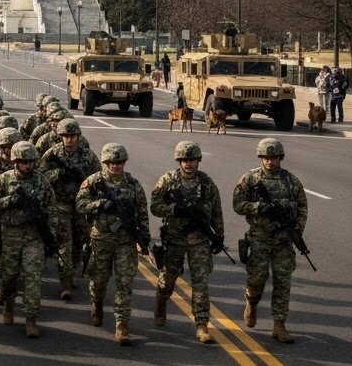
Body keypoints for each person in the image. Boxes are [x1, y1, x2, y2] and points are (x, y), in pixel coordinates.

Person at [232, 138, 308, 343]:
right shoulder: (250, 178)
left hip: (284, 241)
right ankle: (252, 302)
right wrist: (258, 208)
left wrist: (296, 231)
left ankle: (279, 324)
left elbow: (302, 207)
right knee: (258, 278)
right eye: (266, 158)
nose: (270, 162)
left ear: (280, 158)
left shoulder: (291, 181)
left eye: (274, 158)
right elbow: (237, 204)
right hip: (259, 238)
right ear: (261, 158)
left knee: (283, 282)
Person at [149, 141, 225, 344]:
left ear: (198, 160)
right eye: (185, 160)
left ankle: (201, 325)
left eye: (192, 160)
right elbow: (155, 206)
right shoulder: (168, 180)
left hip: (199, 239)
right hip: (175, 238)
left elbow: (216, 210)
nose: (189, 164)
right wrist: (174, 209)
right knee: (169, 278)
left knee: (201, 282)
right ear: (179, 161)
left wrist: (219, 236)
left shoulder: (206, 183)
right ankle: (161, 301)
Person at [76, 143, 150, 346]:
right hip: (101, 240)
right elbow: (80, 204)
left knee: (125, 284)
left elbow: (142, 212)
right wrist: (100, 205)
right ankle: (97, 304)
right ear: (105, 163)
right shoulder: (94, 182)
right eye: (111, 163)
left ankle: (122, 326)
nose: (115, 166)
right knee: (99, 281)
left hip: (126, 242)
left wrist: (144, 238)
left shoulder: (133, 185)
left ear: (124, 163)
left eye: (119, 162)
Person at [0, 141, 57, 338]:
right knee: (8, 276)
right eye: (23, 162)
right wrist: (10, 201)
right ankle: (8, 305)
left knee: (33, 277)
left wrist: (51, 232)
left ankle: (31, 319)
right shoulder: (3, 181)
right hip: (11, 235)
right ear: (15, 162)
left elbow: (52, 207)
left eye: (30, 162)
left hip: (34, 237)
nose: (27, 166)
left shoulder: (42, 182)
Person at [38, 118, 100, 300]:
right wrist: (58, 174)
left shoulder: (88, 156)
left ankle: (72, 271)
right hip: (61, 205)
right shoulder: (52, 155)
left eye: (73, 136)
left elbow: (98, 177)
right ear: (60, 137)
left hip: (81, 206)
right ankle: (65, 282)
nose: (70, 140)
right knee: (64, 244)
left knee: (79, 242)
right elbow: (41, 177)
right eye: (66, 136)